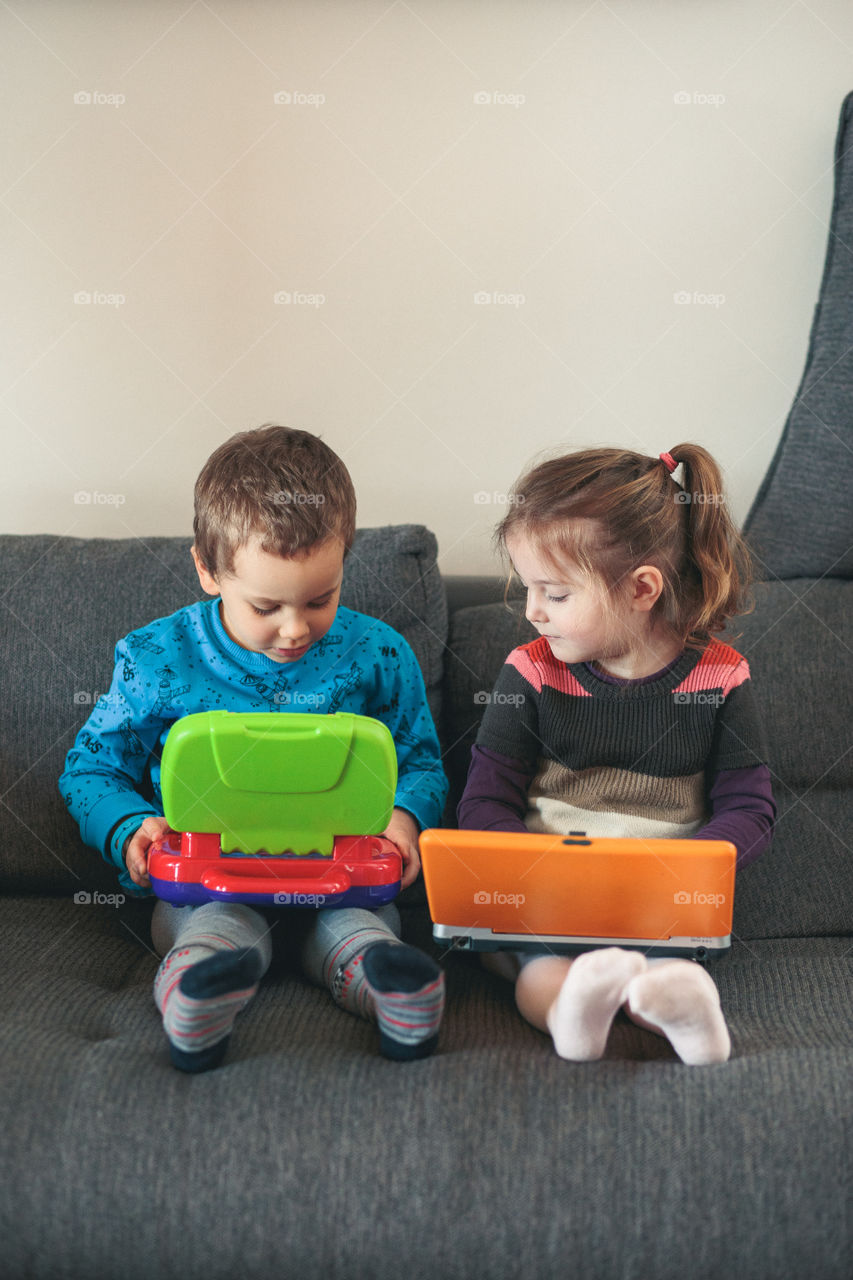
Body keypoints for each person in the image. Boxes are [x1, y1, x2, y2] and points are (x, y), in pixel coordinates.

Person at [60, 425, 448, 1071]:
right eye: (266, 605)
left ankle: (393, 992)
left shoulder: (379, 653)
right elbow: (91, 767)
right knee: (217, 932)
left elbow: (421, 759)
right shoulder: (156, 658)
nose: (295, 630)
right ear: (208, 571)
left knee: (361, 932)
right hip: (212, 883)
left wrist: (404, 819)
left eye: (320, 599)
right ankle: (200, 995)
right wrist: (128, 826)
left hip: (344, 879)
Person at [458, 444, 776, 1065]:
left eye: (554, 593)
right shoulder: (529, 672)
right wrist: (532, 871)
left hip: (661, 904)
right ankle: (571, 1017)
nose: (532, 612)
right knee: (541, 971)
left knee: (665, 970)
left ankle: (686, 1017)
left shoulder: (721, 677)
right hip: (543, 900)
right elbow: (484, 801)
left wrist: (680, 873)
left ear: (641, 589)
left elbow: (751, 809)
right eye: (529, 589)